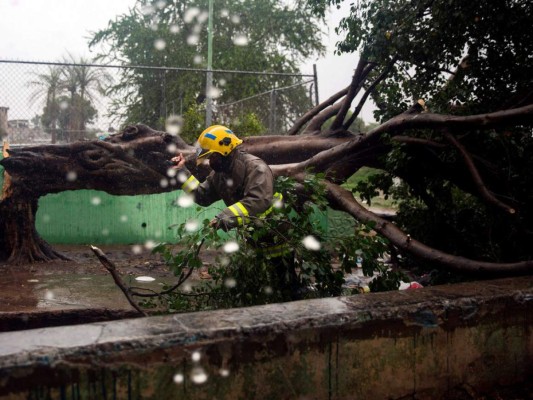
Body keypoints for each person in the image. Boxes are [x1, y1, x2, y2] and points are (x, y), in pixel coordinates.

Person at [171, 125, 300, 299]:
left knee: (286, 289)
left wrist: (224, 217)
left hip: (277, 240)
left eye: (212, 156)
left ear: (225, 150)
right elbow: (202, 195)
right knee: (260, 292)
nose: (210, 161)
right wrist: (182, 173)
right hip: (253, 241)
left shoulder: (256, 167)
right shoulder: (221, 175)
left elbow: (258, 201)